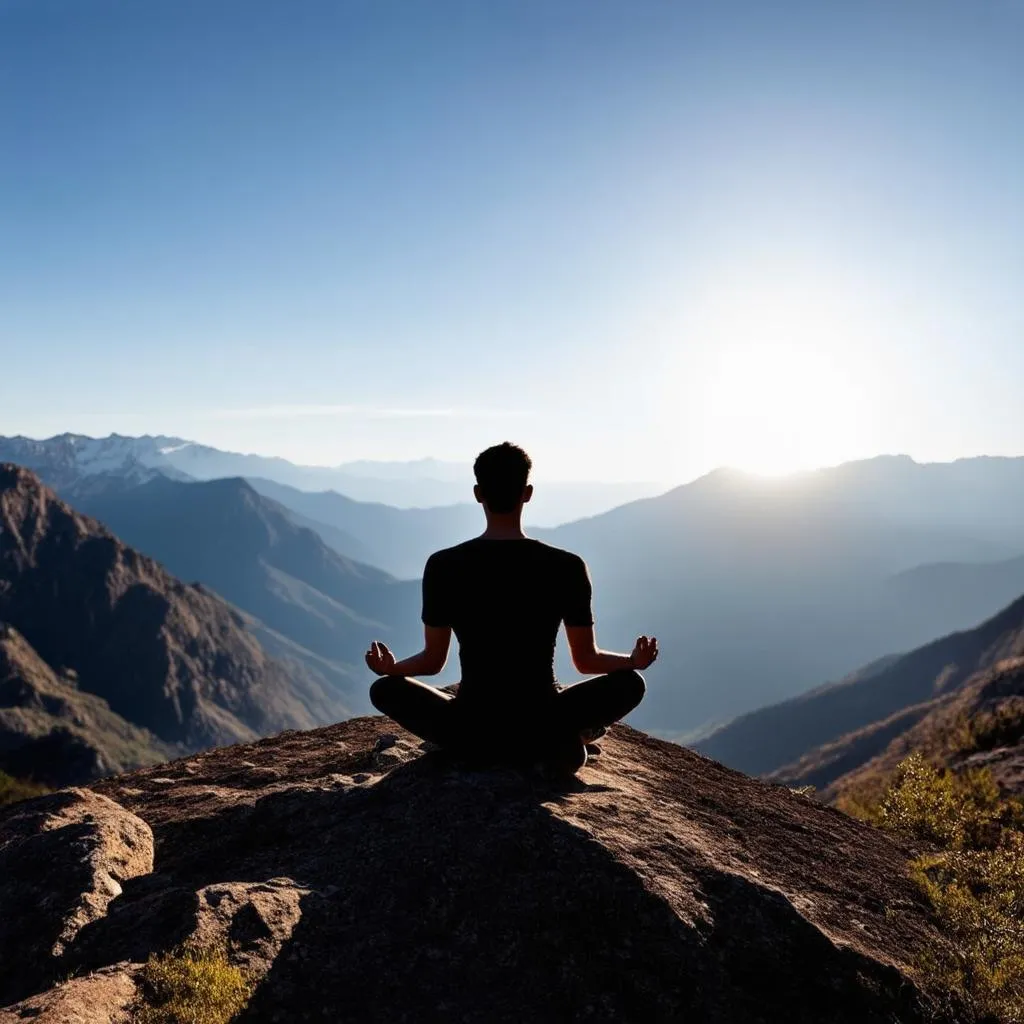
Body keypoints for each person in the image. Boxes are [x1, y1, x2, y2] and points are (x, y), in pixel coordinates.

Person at [366, 442, 657, 775]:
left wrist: (392, 669)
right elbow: (585, 660)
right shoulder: (566, 566)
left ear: (478, 494)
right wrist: (631, 661)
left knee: (385, 690)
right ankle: (557, 740)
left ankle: (478, 748)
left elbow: (432, 662)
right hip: (542, 715)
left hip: (472, 721)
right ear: (527, 492)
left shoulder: (444, 566)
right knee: (631, 684)